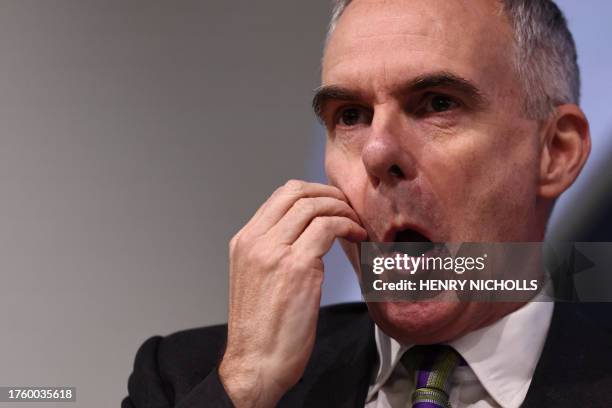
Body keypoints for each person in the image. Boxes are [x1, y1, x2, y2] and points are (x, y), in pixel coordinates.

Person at [122, 0, 612, 407]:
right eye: (351, 115)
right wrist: (245, 385)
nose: (377, 152)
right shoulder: (187, 376)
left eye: (438, 103)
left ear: (556, 152)